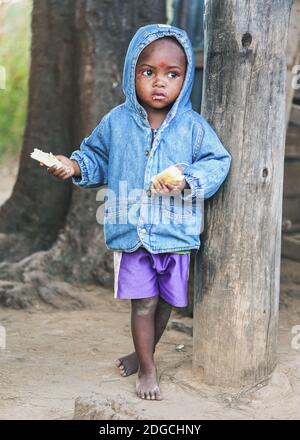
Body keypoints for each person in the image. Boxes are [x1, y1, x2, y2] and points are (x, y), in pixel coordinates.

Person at [42, 24, 232, 401]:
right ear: (132, 72)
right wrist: (73, 165)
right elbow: (94, 156)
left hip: (175, 233)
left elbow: (218, 162)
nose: (159, 83)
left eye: (171, 74)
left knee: (166, 303)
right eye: (148, 72)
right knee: (143, 302)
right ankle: (148, 368)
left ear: (185, 77)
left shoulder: (193, 128)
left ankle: (142, 353)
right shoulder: (117, 122)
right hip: (133, 232)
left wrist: (187, 179)